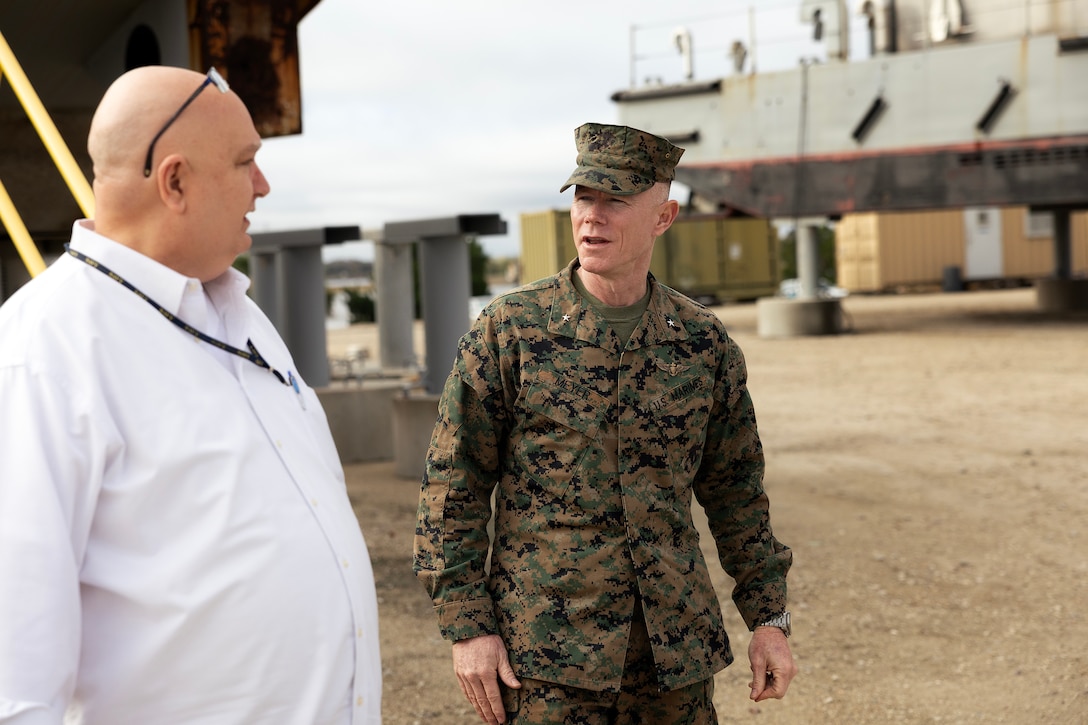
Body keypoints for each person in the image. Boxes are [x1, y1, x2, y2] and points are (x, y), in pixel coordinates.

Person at [0, 66, 381, 724]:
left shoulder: (242, 318)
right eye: (245, 162)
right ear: (174, 181)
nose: (263, 186)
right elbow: (14, 678)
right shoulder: (43, 352)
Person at [414, 123, 795, 724]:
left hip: (674, 660)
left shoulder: (702, 343)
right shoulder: (511, 331)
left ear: (663, 217)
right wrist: (468, 628)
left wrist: (769, 619)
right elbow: (452, 487)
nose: (592, 217)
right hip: (547, 659)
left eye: (615, 201)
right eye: (583, 197)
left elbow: (736, 491)